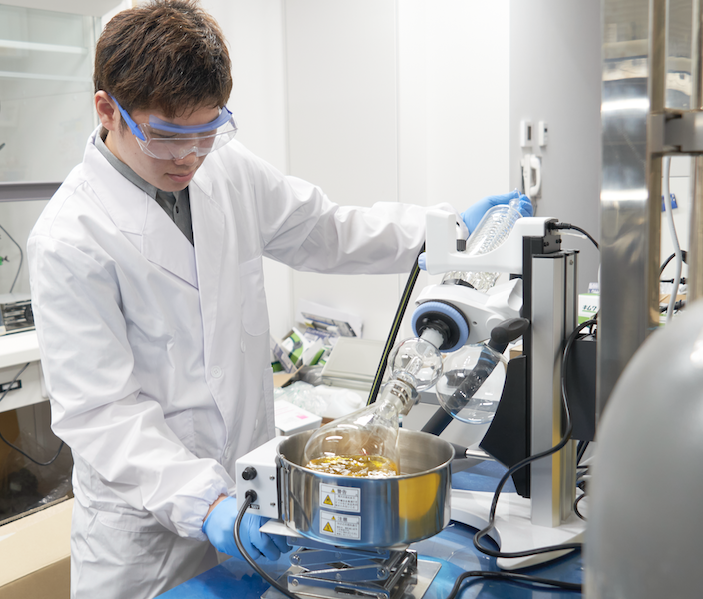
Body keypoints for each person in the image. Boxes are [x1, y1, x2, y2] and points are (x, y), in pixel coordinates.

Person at [27, 1, 532, 597]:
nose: (189, 157)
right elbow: (102, 413)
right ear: (107, 110)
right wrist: (208, 505)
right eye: (166, 137)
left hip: (253, 502)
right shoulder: (70, 238)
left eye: (208, 131)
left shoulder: (226, 170)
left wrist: (443, 233)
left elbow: (327, 230)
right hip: (146, 541)